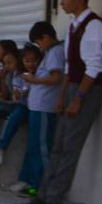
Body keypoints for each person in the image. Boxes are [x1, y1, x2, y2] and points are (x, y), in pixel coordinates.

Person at [19, 0, 102, 204]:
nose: (62, 2)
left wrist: (78, 98)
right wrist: (62, 95)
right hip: (71, 89)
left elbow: (94, 67)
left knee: (70, 148)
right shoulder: (73, 25)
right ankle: (44, 195)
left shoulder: (94, 26)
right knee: (58, 145)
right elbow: (70, 66)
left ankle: (55, 201)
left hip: (86, 91)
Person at [11, 34, 62, 194]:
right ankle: (32, 183)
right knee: (34, 148)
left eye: (34, 60)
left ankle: (44, 187)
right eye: (27, 61)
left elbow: (55, 79)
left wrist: (33, 81)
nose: (31, 64)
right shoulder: (27, 74)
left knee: (42, 149)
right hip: (35, 109)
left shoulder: (54, 54)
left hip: (44, 109)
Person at [0, 48, 28, 159]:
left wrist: (15, 98)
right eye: (5, 63)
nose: (6, 66)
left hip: (23, 106)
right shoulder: (10, 75)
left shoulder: (25, 75)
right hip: (13, 103)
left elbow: (23, 96)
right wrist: (2, 79)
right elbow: (7, 94)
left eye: (9, 63)